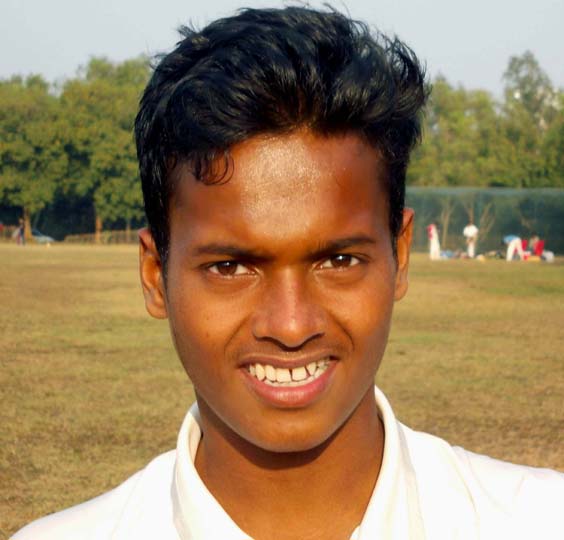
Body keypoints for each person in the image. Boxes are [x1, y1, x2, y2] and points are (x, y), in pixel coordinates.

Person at [13, 7, 563, 540]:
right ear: (156, 274)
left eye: (339, 261)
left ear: (400, 254)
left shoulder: (540, 520)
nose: (292, 325)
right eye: (230, 267)